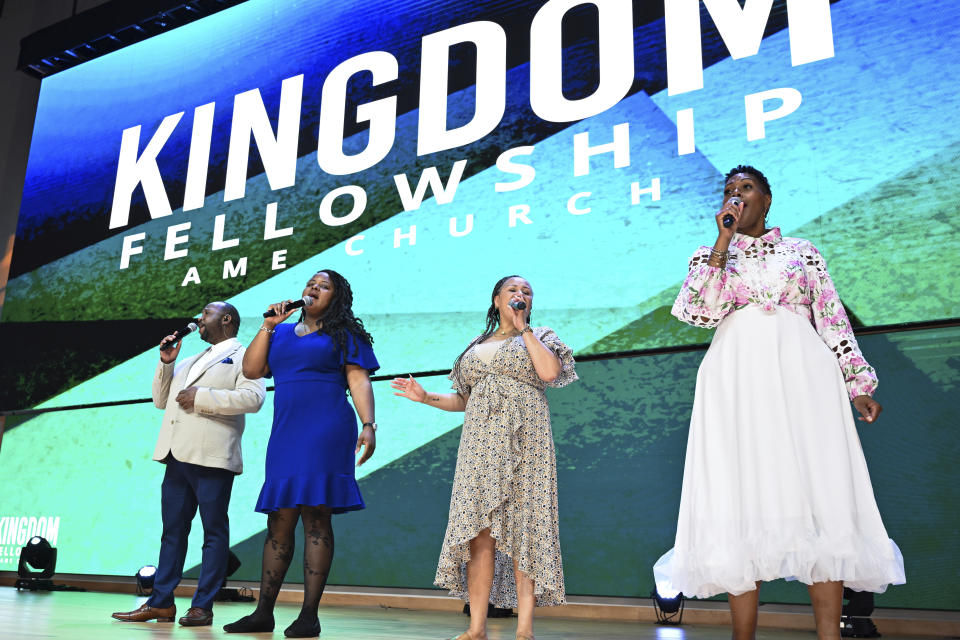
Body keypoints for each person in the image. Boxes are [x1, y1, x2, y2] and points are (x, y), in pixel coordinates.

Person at [653, 166, 905, 640]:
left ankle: (829, 633)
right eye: (729, 191)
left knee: (821, 497)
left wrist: (858, 383)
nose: (736, 196)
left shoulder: (803, 252)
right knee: (739, 495)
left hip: (804, 376)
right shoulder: (709, 255)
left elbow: (832, 317)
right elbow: (698, 312)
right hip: (736, 380)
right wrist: (721, 245)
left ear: (767, 199)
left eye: (745, 189)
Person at [392, 275, 578, 640]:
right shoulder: (475, 345)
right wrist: (425, 396)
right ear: (496, 299)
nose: (520, 294)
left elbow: (550, 373)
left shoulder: (541, 335)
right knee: (479, 535)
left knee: (527, 529)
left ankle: (524, 628)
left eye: (527, 291)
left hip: (527, 441)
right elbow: (463, 400)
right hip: (478, 446)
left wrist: (524, 330)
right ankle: (476, 628)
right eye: (513, 290)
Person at [224, 269, 378, 638]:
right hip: (287, 432)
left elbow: (358, 378)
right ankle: (263, 613)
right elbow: (252, 369)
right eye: (311, 283)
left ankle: (309, 615)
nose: (314, 288)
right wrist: (268, 324)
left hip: (326, 428)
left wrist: (369, 425)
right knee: (279, 518)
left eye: (324, 286)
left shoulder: (345, 334)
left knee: (316, 517)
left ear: (336, 298)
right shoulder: (278, 332)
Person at [112, 301, 266, 627]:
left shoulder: (244, 354)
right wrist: (166, 364)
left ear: (226, 319)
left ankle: (202, 606)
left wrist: (203, 396)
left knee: (213, 533)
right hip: (176, 456)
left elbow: (254, 399)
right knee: (173, 532)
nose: (198, 319)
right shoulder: (190, 359)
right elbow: (160, 400)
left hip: (211, 457)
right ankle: (161, 603)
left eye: (206, 314)